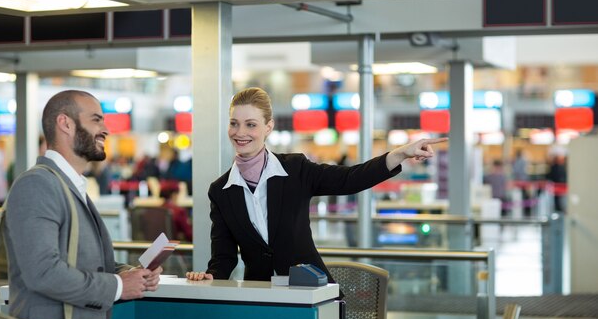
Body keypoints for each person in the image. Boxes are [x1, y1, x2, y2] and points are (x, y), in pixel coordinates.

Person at [4, 90, 162, 319]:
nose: (105, 129)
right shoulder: (37, 185)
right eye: (96, 120)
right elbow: (43, 272)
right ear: (64, 123)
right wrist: (119, 287)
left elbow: (80, 261)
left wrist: (126, 273)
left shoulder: (70, 185)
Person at [186, 87, 446, 282]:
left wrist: (400, 153)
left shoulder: (295, 169)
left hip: (311, 293)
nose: (240, 132)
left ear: (268, 128)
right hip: (261, 297)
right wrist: (212, 275)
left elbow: (350, 179)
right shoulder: (220, 190)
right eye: (234, 123)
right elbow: (224, 256)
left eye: (250, 125)